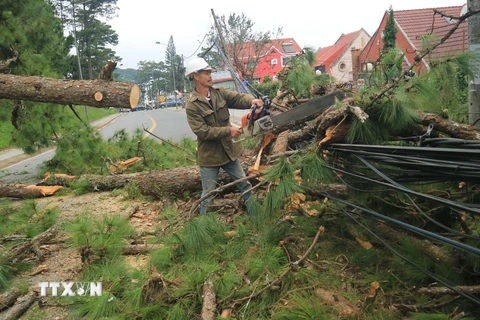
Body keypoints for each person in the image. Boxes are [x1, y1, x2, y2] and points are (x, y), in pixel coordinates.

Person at [184, 57, 263, 215]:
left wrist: (251, 101)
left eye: (210, 72)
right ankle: (204, 225)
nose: (210, 75)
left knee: (245, 184)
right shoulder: (192, 105)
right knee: (208, 194)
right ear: (195, 76)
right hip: (210, 157)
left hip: (229, 152)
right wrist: (228, 130)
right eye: (205, 73)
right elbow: (202, 131)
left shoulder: (219, 93)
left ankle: (257, 218)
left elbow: (237, 98)